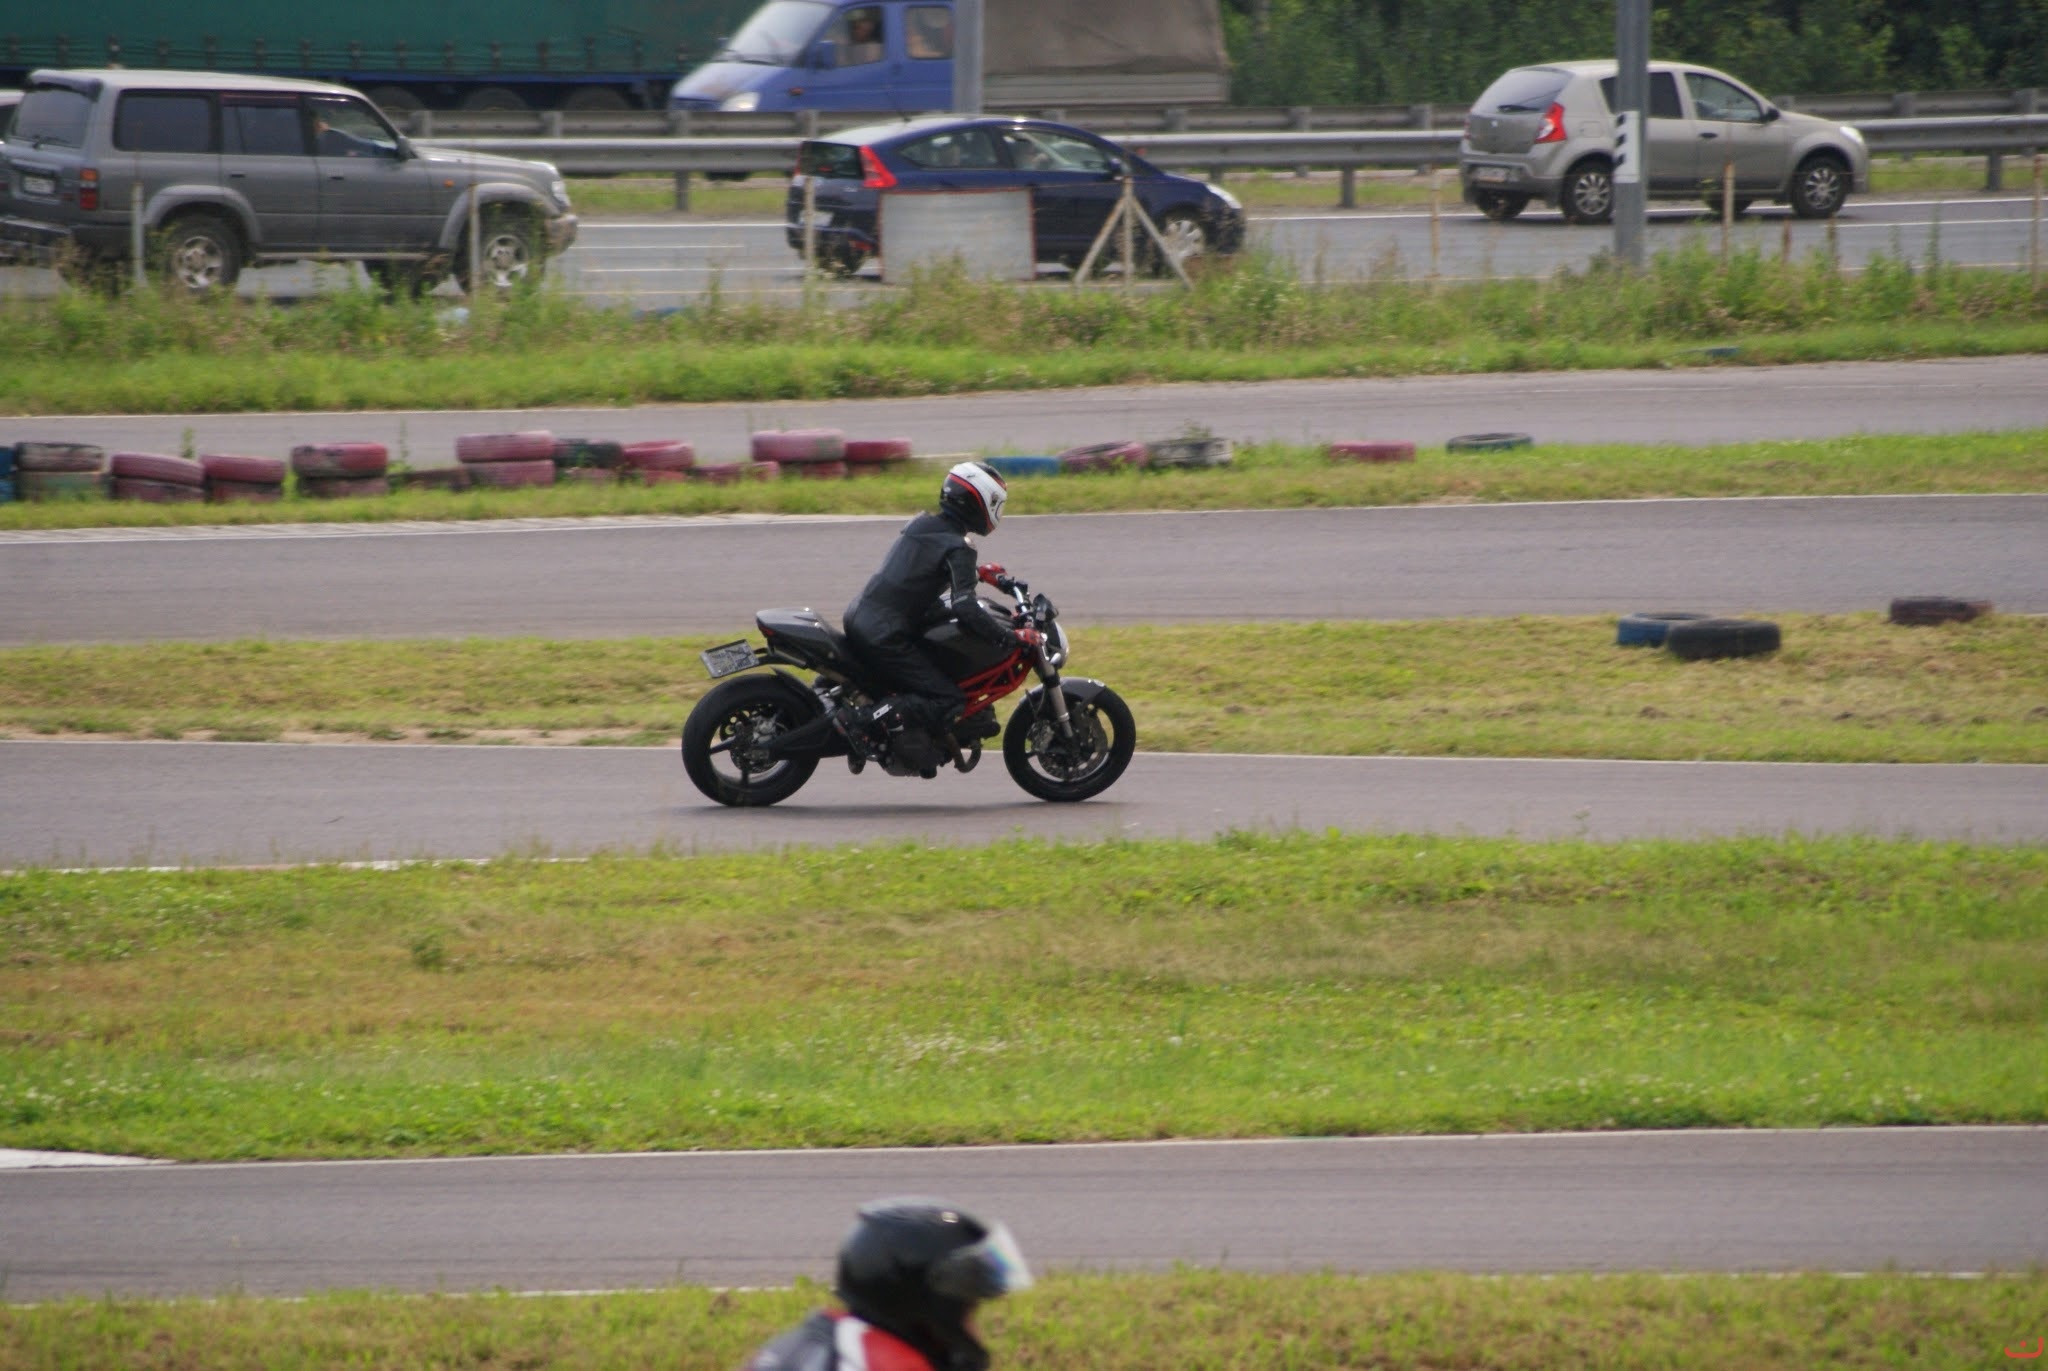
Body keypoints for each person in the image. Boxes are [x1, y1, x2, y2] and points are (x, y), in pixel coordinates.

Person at [837, 461, 1040, 763]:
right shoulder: (960, 547)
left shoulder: (924, 524)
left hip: (863, 617)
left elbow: (923, 568)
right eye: (995, 503)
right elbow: (965, 607)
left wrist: (977, 573)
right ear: (978, 501)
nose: (998, 511)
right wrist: (1010, 638)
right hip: (885, 635)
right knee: (948, 699)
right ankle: (863, 723)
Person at [746, 1197, 1033, 1371]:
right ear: (931, 1306)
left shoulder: (804, 1342)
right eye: (969, 1312)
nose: (976, 1331)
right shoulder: (886, 1363)